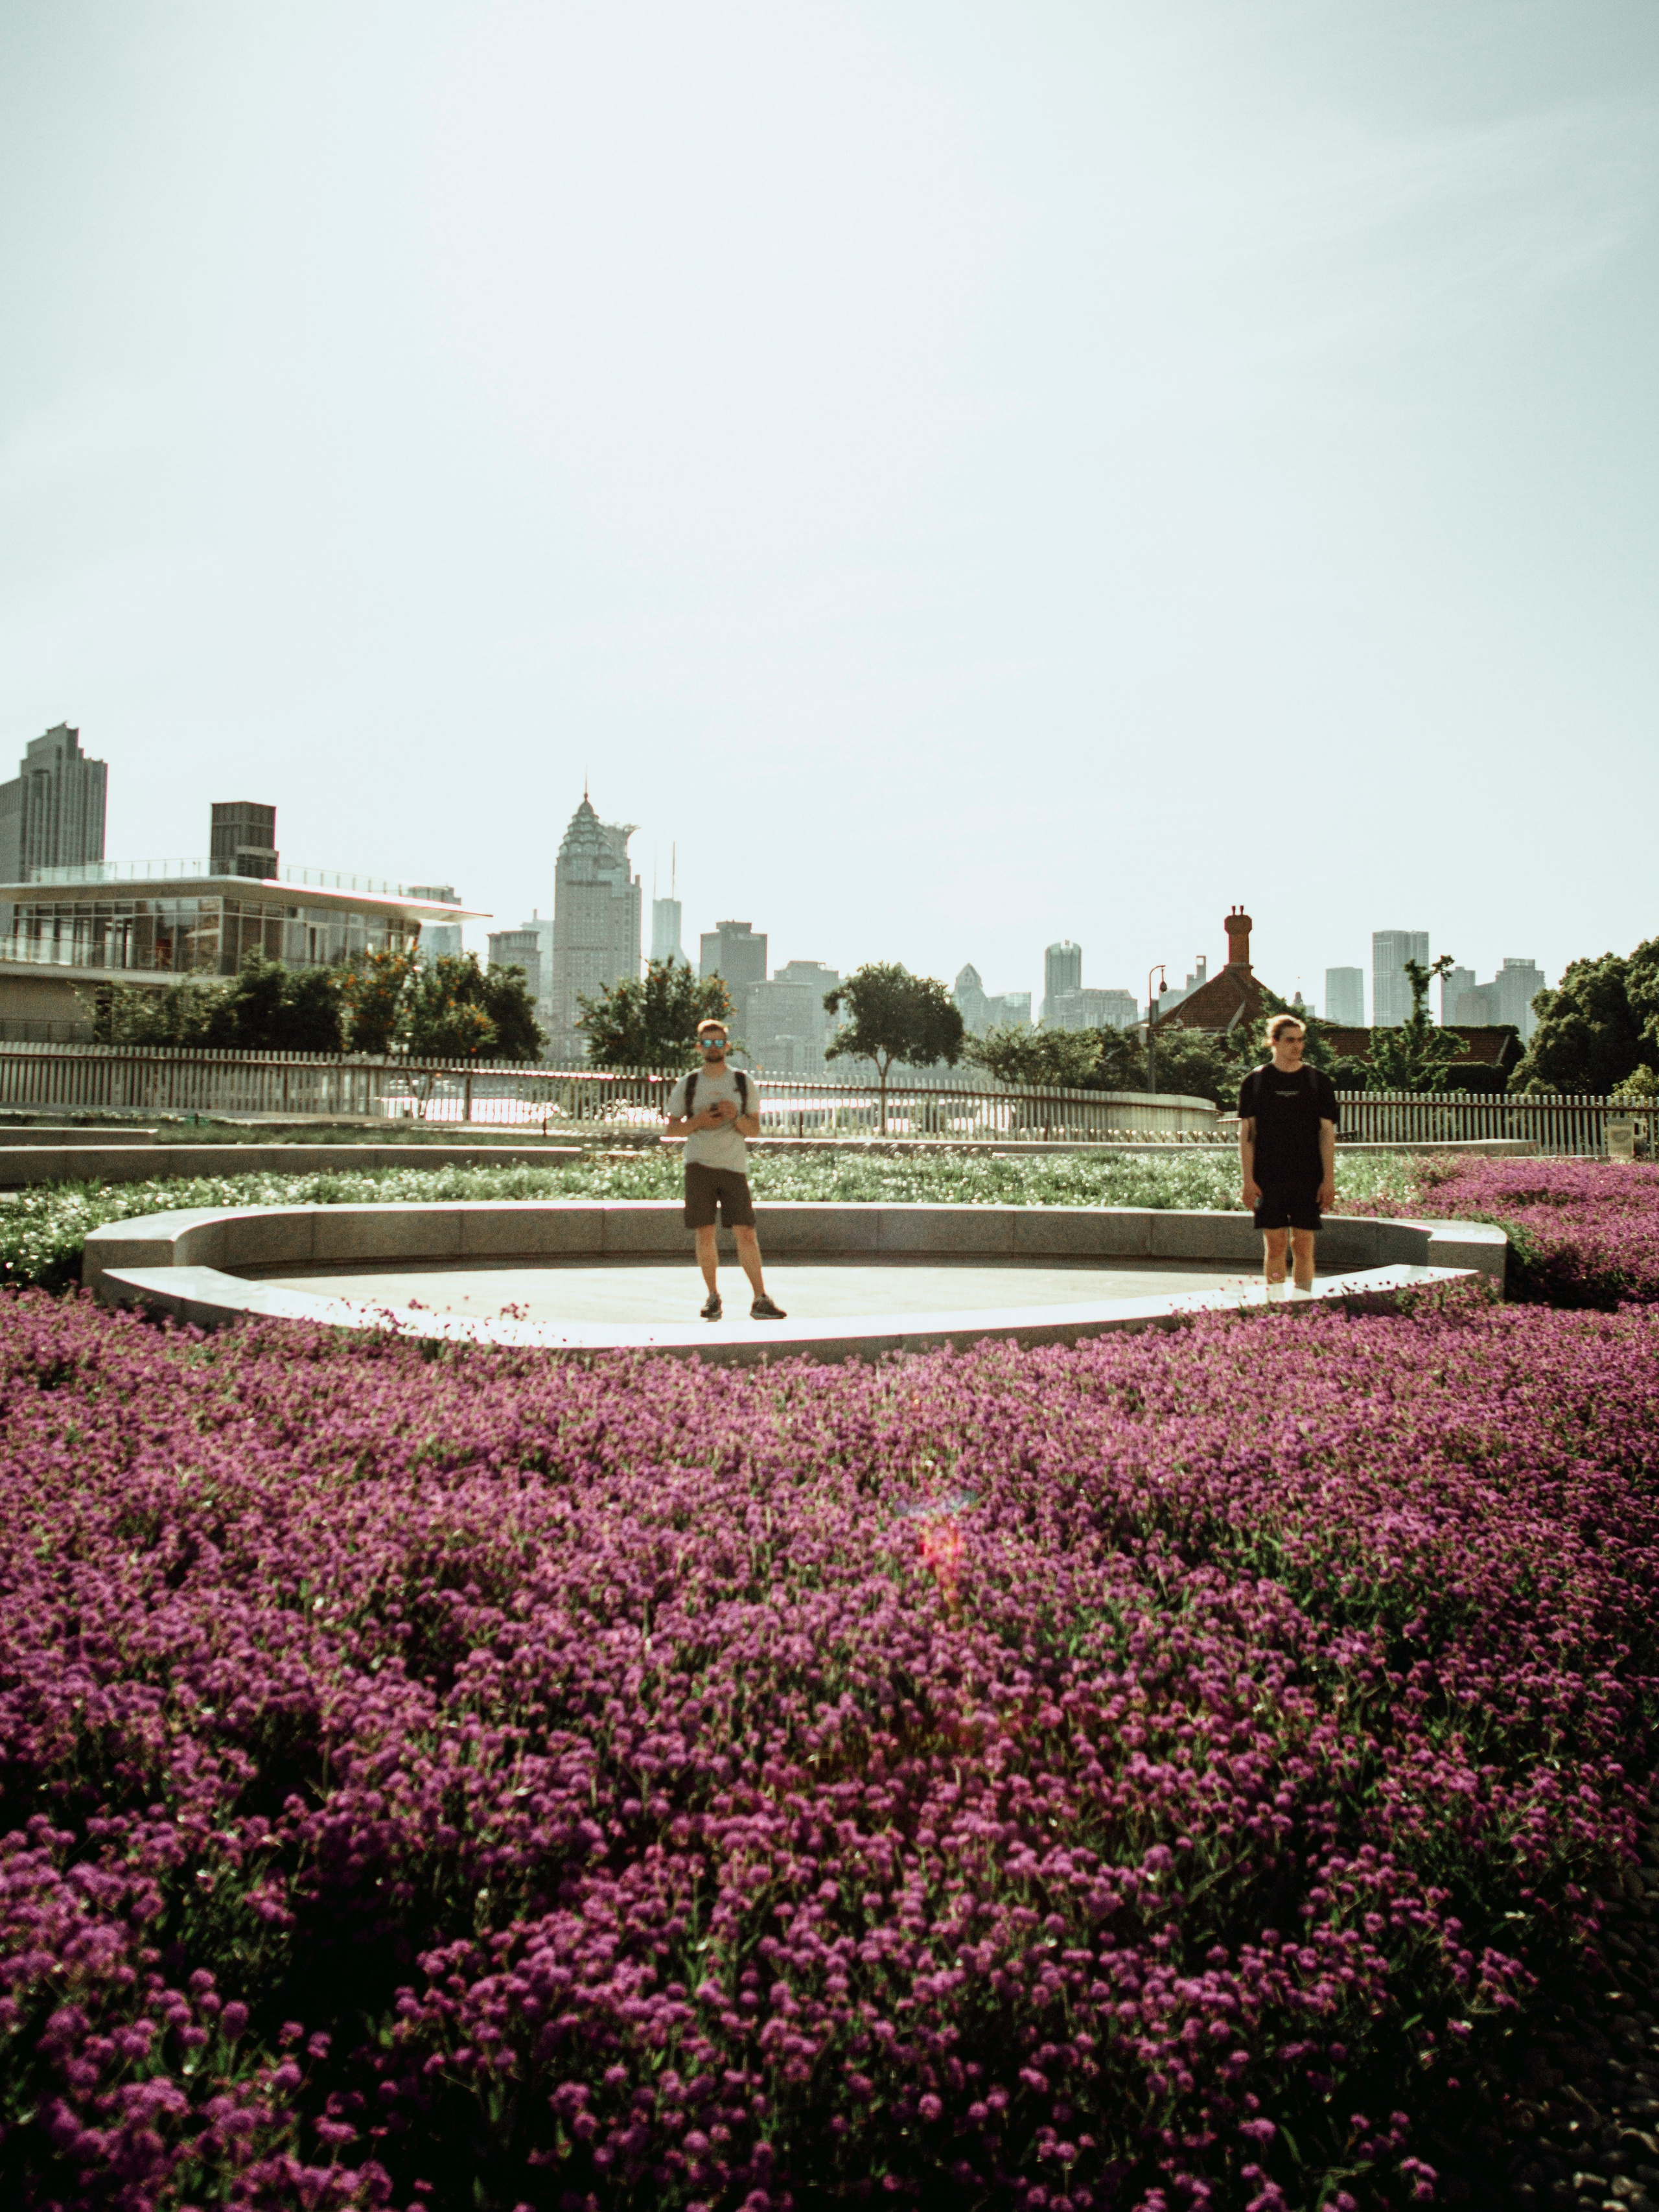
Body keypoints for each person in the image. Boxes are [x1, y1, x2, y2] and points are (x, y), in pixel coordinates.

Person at [664, 1019, 787, 1323]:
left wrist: (735, 1118)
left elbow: (754, 1129)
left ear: (727, 1046)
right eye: (708, 1043)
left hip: (733, 1167)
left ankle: (760, 1298)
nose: (714, 1048)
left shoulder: (743, 1083)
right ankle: (713, 1297)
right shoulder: (689, 1084)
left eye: (719, 1043)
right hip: (699, 1165)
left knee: (746, 1232)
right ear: (699, 1047)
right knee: (705, 1233)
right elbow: (672, 1128)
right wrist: (700, 1121)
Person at [1238, 1014, 1339, 1297]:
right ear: (1274, 1042)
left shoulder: (1317, 1081)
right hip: (1268, 1176)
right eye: (1290, 1040)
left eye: (1300, 1040)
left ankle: (1303, 1304)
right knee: (1276, 1245)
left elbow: (1327, 1134)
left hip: (1308, 1176)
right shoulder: (1255, 1082)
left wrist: (1328, 1180)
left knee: (1304, 1245)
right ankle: (1275, 1304)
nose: (1297, 1046)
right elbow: (1247, 1135)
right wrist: (1247, 1181)